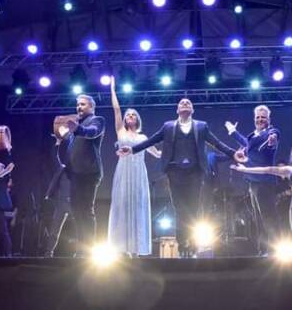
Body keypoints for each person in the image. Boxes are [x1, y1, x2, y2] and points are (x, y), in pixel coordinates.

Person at [118, 98, 246, 257]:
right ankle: (183, 242)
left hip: (195, 172)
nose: (185, 104)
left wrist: (233, 154)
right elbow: (151, 141)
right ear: (177, 110)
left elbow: (216, 143)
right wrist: (132, 150)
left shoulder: (201, 126)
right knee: (179, 207)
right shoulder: (168, 126)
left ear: (192, 110)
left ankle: (191, 243)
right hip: (175, 172)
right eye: (181, 103)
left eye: (188, 103)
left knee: (193, 208)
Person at [107, 76, 161, 256]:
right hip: (124, 172)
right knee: (122, 205)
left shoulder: (143, 138)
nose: (129, 116)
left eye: (133, 114)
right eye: (128, 114)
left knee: (138, 206)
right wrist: (112, 89)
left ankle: (136, 248)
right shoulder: (120, 132)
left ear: (137, 119)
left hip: (138, 173)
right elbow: (116, 110)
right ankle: (122, 248)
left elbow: (157, 153)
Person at [225, 105, 280, 255]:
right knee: (259, 218)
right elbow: (248, 146)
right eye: (258, 117)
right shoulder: (252, 136)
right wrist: (234, 133)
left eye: (263, 117)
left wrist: (272, 140)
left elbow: (272, 138)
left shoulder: (271, 132)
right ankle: (263, 251)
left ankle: (274, 251)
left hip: (264, 182)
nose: (260, 119)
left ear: (269, 119)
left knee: (268, 217)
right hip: (253, 182)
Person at [56, 94, 106, 254]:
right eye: (77, 104)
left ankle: (89, 250)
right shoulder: (76, 127)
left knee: (85, 210)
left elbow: (92, 132)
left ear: (91, 106)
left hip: (89, 172)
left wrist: (77, 128)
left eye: (83, 104)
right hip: (75, 174)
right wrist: (60, 141)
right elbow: (68, 152)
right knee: (76, 211)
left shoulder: (97, 120)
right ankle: (81, 249)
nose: (79, 107)